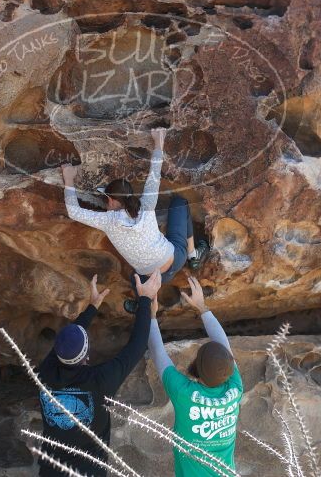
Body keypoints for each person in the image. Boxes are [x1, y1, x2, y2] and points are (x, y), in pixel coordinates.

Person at [36, 271, 162, 476]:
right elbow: (137, 347)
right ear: (86, 354)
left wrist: (93, 305)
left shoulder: (44, 373)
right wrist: (145, 300)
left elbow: (68, 341)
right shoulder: (99, 381)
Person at [61, 127, 209, 289]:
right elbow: (155, 174)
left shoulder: (108, 221)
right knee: (180, 203)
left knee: (135, 276)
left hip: (150, 280)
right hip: (175, 259)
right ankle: (193, 256)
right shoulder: (146, 205)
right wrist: (159, 142)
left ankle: (142, 301)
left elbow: (74, 212)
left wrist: (69, 179)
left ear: (110, 200)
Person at [147, 275, 243, 477]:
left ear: (196, 368)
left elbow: (157, 352)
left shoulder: (185, 394)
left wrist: (150, 316)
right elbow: (158, 353)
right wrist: (202, 307)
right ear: (229, 366)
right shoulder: (235, 389)